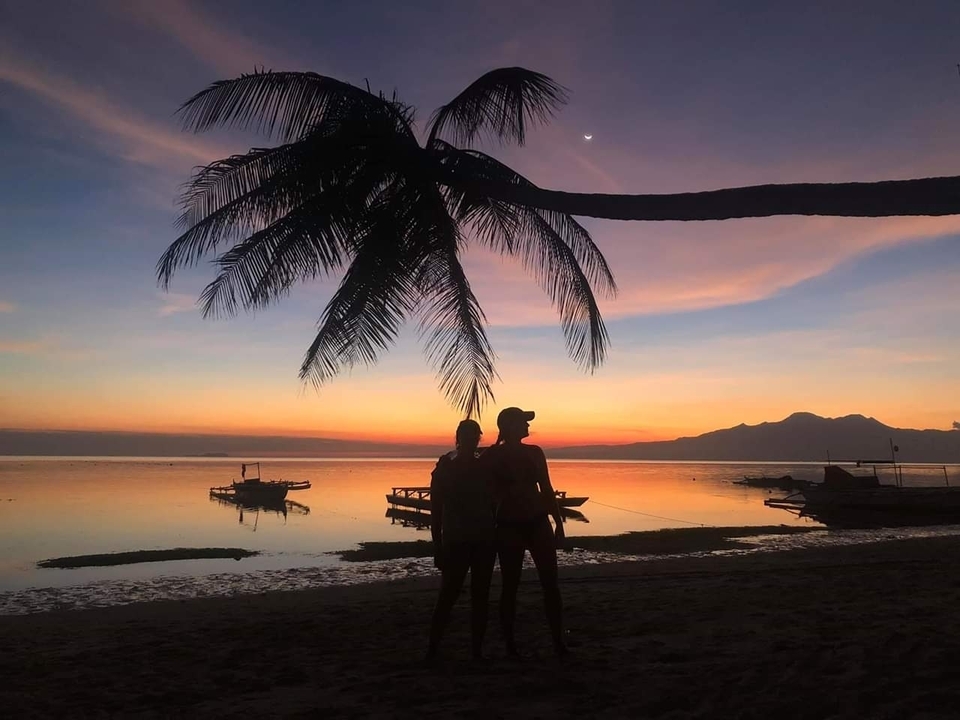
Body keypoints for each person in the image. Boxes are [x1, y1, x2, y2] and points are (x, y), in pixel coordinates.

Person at [485, 406, 568, 657]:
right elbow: (481, 488)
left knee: (550, 583)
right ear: (510, 426)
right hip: (509, 525)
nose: (528, 426)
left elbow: (546, 488)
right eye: (523, 422)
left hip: (538, 521)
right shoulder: (492, 456)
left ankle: (558, 641)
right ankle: (510, 645)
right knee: (511, 585)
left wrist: (558, 522)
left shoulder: (535, 452)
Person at [426, 419, 497, 662]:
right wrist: (437, 545)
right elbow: (436, 511)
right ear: (459, 438)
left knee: (478, 596)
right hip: (458, 539)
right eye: (468, 436)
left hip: (482, 539)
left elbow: (494, 501)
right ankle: (434, 650)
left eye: (474, 435)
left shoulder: (483, 466)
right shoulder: (446, 467)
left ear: (478, 438)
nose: (472, 440)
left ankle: (475, 651)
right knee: (450, 595)